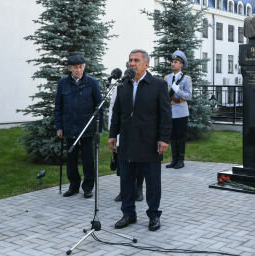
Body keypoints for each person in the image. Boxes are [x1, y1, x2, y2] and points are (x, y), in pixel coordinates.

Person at [108, 49, 171, 232]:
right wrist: (113, 134)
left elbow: (165, 115)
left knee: (152, 183)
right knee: (126, 181)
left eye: (136, 60)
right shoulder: (123, 84)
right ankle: (128, 214)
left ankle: (153, 215)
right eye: (130, 60)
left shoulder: (158, 85)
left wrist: (163, 138)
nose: (131, 64)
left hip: (149, 142)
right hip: (127, 141)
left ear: (146, 64)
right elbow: (117, 114)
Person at [54, 55, 102, 199]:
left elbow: (99, 106)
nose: (79, 70)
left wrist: (98, 127)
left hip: (87, 127)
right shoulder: (63, 83)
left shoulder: (92, 83)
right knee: (71, 158)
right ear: (70, 68)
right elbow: (58, 107)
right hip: (69, 126)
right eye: (76, 67)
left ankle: (88, 187)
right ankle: (73, 186)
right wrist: (59, 126)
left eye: (81, 67)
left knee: (88, 159)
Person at [108, 64, 145, 203]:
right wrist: (113, 129)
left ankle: (139, 189)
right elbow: (113, 107)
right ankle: (124, 190)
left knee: (139, 160)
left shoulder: (140, 85)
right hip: (121, 130)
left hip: (137, 130)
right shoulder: (121, 84)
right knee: (121, 161)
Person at [164, 50, 192, 169]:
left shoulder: (186, 79)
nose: (173, 64)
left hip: (181, 112)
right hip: (170, 112)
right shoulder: (167, 78)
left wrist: (177, 90)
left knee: (180, 137)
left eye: (175, 62)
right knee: (172, 137)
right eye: (172, 62)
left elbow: (189, 96)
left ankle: (181, 160)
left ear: (181, 65)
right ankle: (174, 160)